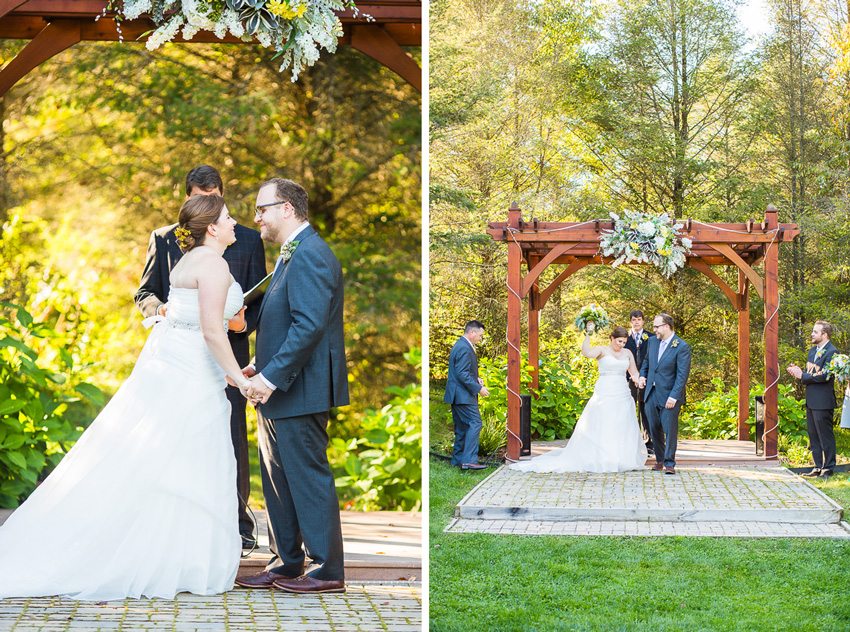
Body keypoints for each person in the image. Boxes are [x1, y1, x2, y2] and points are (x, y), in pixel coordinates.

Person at [0, 195, 252, 600]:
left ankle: (173, 557)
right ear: (211, 228)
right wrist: (239, 379)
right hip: (193, 373)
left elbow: (193, 316)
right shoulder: (215, 264)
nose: (234, 221)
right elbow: (210, 331)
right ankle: (178, 561)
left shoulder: (187, 262)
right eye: (227, 217)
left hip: (180, 365)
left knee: (167, 460)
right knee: (187, 461)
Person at [135, 165, 267, 549]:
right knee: (186, 440)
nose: (231, 217)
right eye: (199, 198)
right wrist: (167, 313)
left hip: (227, 353)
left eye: (215, 199)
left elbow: (256, 300)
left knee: (227, 442)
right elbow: (149, 295)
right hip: (193, 355)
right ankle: (186, 528)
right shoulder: (171, 242)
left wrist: (243, 326)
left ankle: (236, 524)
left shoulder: (244, 242)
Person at [234, 178, 349, 595]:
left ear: (287, 209)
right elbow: (281, 320)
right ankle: (285, 564)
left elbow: (309, 327)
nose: (256, 217)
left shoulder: (313, 254)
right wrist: (256, 366)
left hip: (301, 389)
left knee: (307, 478)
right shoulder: (290, 253)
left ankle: (327, 572)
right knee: (277, 482)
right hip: (279, 388)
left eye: (262, 208)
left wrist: (269, 378)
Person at [511, 325, 647, 473]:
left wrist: (639, 379)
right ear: (612, 338)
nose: (621, 345)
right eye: (619, 341)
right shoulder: (602, 350)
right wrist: (588, 334)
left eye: (624, 342)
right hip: (605, 391)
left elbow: (633, 372)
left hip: (622, 392)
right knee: (604, 422)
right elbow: (586, 352)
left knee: (622, 423)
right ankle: (603, 458)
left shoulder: (627, 353)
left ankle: (622, 458)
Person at [638, 313, 691, 475]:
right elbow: (647, 361)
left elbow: (682, 375)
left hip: (670, 395)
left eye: (657, 326)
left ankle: (669, 462)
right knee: (653, 429)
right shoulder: (652, 342)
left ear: (666, 327)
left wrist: (673, 396)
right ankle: (659, 460)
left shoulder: (681, 346)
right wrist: (642, 375)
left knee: (670, 429)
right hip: (651, 393)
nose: (654, 330)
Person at [787, 320, 838, 478]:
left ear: (825, 335)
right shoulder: (811, 351)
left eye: (815, 332)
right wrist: (799, 372)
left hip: (823, 401)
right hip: (811, 400)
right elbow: (811, 373)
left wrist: (803, 376)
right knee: (813, 435)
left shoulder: (833, 352)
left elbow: (825, 375)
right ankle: (817, 466)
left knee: (825, 436)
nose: (812, 334)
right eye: (813, 331)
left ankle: (828, 468)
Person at [444, 321, 490, 471]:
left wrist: (475, 377)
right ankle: (469, 461)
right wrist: (479, 389)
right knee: (475, 423)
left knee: (463, 428)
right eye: (480, 335)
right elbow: (462, 374)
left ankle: (457, 461)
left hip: (457, 394)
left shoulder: (460, 345)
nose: (480, 339)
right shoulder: (464, 348)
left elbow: (461, 371)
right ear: (472, 332)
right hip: (463, 395)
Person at [623, 309, 654, 455]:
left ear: (643, 321)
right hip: (627, 380)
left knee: (645, 411)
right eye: (634, 320)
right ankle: (628, 443)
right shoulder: (624, 337)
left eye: (639, 319)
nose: (636, 322)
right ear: (630, 322)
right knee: (628, 410)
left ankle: (648, 443)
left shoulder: (652, 337)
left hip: (646, 379)